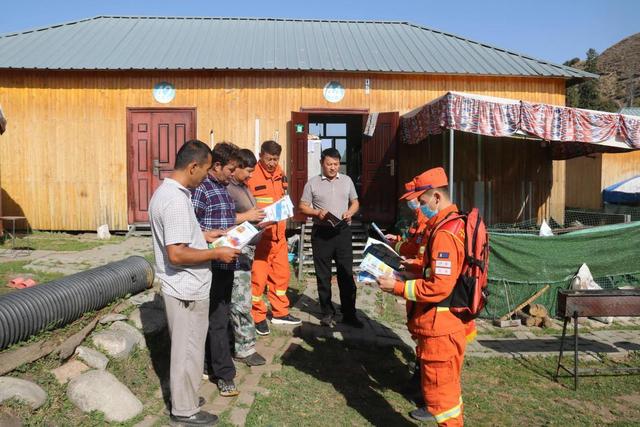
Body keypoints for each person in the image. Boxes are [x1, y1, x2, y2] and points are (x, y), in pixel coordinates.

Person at [149, 139, 239, 426]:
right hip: (185, 288)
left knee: (190, 348)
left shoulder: (173, 192)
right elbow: (176, 253)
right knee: (187, 351)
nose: (207, 176)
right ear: (193, 166)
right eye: (206, 169)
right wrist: (216, 253)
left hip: (188, 286)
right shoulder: (175, 200)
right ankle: (184, 411)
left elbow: (184, 236)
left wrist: (205, 236)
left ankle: (185, 397)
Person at [377, 167, 469, 426]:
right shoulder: (451, 224)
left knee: (443, 402)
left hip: (440, 329)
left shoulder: (445, 233)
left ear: (437, 198)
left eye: (422, 201)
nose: (419, 206)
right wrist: (411, 268)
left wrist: (397, 287)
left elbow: (440, 286)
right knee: (448, 394)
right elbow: (436, 270)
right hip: (444, 324)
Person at [192, 142, 242, 397]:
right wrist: (208, 238)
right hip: (210, 263)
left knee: (218, 315)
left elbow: (226, 223)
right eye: (231, 168)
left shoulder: (224, 189)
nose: (234, 174)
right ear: (217, 166)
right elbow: (189, 227)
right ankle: (224, 374)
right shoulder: (202, 189)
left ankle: (209, 364)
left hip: (227, 262)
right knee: (217, 318)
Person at [298, 148, 363, 328]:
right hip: (321, 233)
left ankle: (350, 314)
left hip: (342, 232)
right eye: (329, 164)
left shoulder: (347, 180)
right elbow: (302, 207)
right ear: (322, 163)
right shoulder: (312, 183)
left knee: (346, 274)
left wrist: (350, 212)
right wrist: (316, 212)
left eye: (336, 164)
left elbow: (355, 202)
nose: (333, 168)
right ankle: (327, 313)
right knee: (323, 275)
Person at [248, 140, 301, 336]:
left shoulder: (280, 174)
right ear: (260, 155)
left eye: (275, 159)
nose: (272, 163)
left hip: (280, 237)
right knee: (258, 280)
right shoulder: (251, 175)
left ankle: (280, 313)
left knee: (281, 277)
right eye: (269, 159)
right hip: (261, 238)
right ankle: (258, 317)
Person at [226, 148, 267, 366]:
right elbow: (221, 219)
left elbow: (250, 214)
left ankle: (238, 341)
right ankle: (245, 348)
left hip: (246, 250)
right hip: (234, 250)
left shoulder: (242, 187)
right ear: (236, 167)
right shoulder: (228, 189)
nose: (251, 175)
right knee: (241, 300)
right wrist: (248, 216)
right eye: (248, 171)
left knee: (241, 298)